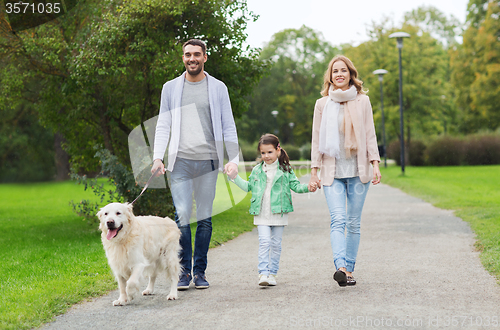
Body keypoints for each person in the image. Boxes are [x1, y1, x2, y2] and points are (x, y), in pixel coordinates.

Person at [151, 39, 239, 290]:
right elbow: (163, 124)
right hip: (180, 163)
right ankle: (183, 272)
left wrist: (232, 160)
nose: (192, 59)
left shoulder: (218, 88)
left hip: (208, 163)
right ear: (183, 58)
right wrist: (158, 156)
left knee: (205, 220)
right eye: (188, 54)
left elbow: (228, 125)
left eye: (197, 54)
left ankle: (199, 272)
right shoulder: (170, 88)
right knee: (181, 218)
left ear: (205, 57)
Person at [309, 55, 381, 287]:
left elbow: (370, 133)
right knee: (337, 220)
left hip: (358, 172)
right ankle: (340, 266)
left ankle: (349, 270)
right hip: (332, 173)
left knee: (354, 223)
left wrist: (375, 163)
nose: (339, 74)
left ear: (351, 74)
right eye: (335, 71)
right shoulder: (322, 104)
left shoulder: (363, 101)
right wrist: (313, 171)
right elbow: (316, 139)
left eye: (343, 70)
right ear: (330, 76)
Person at [228, 134, 317, 286]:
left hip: (279, 212)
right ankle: (263, 273)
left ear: (278, 150)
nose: (266, 156)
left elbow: (295, 186)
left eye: (269, 152)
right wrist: (235, 178)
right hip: (261, 211)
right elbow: (248, 187)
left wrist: (308, 187)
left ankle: (272, 274)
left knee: (276, 244)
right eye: (263, 153)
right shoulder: (257, 170)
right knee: (264, 241)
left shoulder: (285, 170)